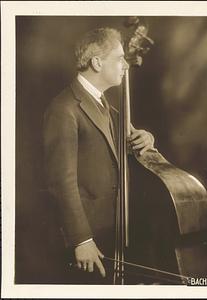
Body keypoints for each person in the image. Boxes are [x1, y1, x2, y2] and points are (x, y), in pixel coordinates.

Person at [43, 27, 155, 284]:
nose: (125, 65)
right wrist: (81, 239)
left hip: (111, 232)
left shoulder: (104, 105)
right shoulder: (64, 109)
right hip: (86, 239)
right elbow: (62, 182)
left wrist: (147, 138)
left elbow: (132, 138)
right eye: (119, 58)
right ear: (96, 62)